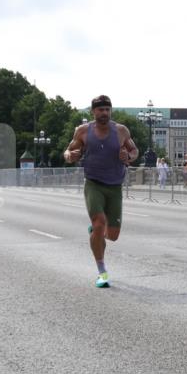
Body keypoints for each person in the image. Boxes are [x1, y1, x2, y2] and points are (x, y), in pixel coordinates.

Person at [63, 95, 139, 288]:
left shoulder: (121, 131)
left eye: (107, 109)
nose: (104, 113)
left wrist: (129, 156)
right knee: (99, 223)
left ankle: (96, 233)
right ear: (93, 112)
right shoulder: (83, 131)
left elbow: (134, 151)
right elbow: (68, 151)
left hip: (115, 186)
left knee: (112, 235)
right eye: (100, 110)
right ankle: (102, 271)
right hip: (93, 183)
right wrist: (70, 156)